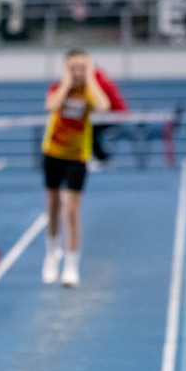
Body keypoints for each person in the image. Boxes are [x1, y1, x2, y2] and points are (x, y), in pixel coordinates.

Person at [41, 49, 110, 287]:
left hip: (78, 157)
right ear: (66, 68)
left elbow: (104, 106)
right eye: (74, 67)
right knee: (53, 207)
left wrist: (90, 79)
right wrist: (66, 82)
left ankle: (71, 266)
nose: (78, 72)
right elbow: (51, 105)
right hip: (53, 153)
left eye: (83, 67)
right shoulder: (57, 88)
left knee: (72, 210)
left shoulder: (90, 92)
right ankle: (52, 253)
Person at [88, 65, 128, 169]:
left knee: (91, 131)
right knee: (90, 130)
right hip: (112, 115)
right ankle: (99, 157)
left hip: (116, 116)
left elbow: (104, 106)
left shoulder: (97, 82)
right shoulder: (101, 79)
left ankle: (101, 158)